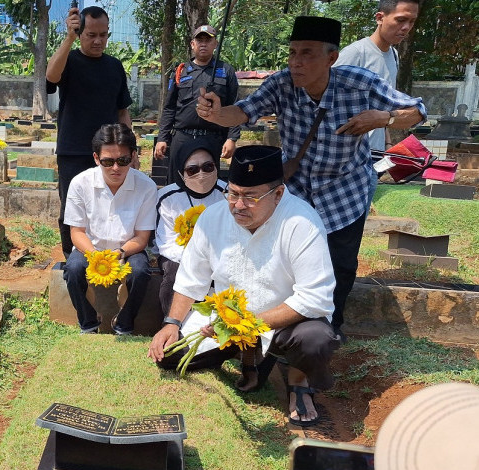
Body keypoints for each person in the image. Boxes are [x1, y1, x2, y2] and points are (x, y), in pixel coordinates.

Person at [196, 16, 427, 340]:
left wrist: (383, 117)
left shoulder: (360, 83)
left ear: (331, 58)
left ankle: (329, 328)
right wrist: (216, 113)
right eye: (292, 53)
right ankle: (283, 327)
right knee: (287, 258)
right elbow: (244, 111)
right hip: (299, 188)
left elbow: (417, 110)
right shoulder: (280, 85)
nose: (296, 62)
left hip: (346, 189)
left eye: (307, 53)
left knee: (340, 264)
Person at [148, 145, 339, 426]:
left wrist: (248, 324)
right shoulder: (213, 217)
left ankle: (299, 380)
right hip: (227, 318)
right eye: (233, 193)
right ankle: (249, 354)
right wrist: (171, 323)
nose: (238, 205)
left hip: (285, 322)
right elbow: (191, 277)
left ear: (278, 194)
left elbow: (315, 298)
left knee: (315, 340)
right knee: (170, 357)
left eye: (250, 197)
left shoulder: (302, 223)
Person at [46, 5, 133, 258]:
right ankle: (71, 259)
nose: (98, 41)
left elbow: (122, 111)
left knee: (108, 205)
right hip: (72, 149)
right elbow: (51, 77)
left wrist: (131, 149)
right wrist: (68, 38)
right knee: (71, 208)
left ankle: (106, 257)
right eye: (91, 35)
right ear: (80, 33)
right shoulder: (69, 60)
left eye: (103, 35)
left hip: (110, 152)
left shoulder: (115, 66)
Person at [63, 123, 156, 335]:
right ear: (96, 158)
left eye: (123, 160)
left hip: (128, 248)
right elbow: (77, 232)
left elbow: (142, 238)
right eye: (107, 161)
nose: (116, 168)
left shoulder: (146, 186)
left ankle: (124, 323)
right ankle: (88, 322)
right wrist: (96, 257)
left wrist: (120, 253)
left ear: (133, 156)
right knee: (73, 270)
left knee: (141, 272)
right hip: (90, 248)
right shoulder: (80, 183)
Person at [154, 25, 240, 184]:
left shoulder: (226, 71)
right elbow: (169, 108)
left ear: (215, 44)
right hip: (182, 137)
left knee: (207, 185)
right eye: (199, 40)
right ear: (192, 44)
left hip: (212, 138)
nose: (203, 44)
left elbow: (234, 105)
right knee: (176, 184)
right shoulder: (181, 71)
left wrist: (232, 138)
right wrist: (162, 138)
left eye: (208, 40)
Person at [334, 0, 420, 152]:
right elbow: (326, 101)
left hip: (376, 153)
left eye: (411, 22)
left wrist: (387, 144)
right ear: (380, 18)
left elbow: (383, 106)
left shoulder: (393, 55)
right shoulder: (356, 53)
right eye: (400, 20)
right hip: (350, 156)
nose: (406, 28)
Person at [154, 137, 226, 316]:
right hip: (177, 255)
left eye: (208, 167)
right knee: (174, 275)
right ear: (180, 173)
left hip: (220, 254)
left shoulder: (228, 194)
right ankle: (173, 326)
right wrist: (195, 259)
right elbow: (167, 243)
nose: (201, 174)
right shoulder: (167, 197)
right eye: (192, 170)